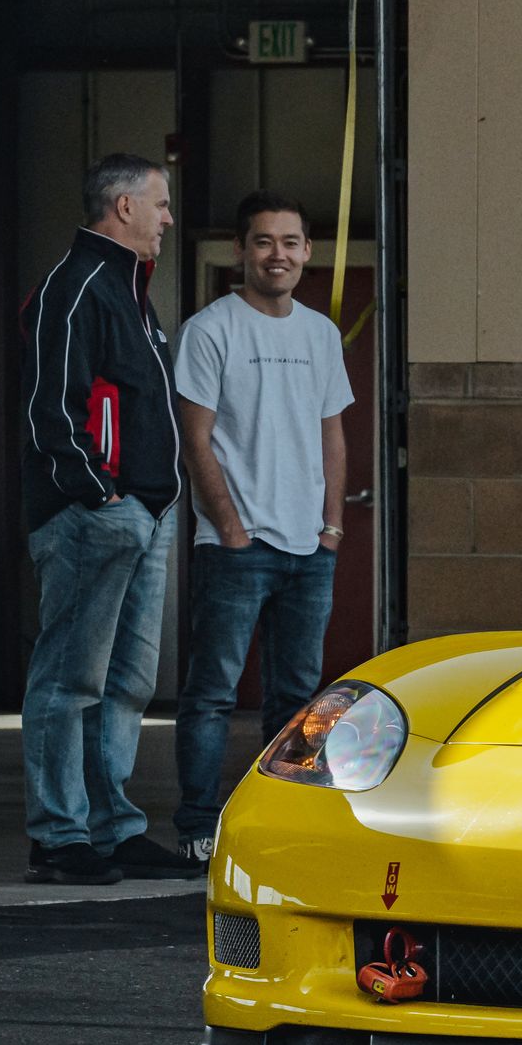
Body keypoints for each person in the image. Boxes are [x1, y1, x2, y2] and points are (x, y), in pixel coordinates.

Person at [17, 154, 194, 886]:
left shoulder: (130, 291)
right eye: (159, 203)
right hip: (98, 518)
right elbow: (50, 408)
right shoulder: (78, 285)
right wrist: (100, 493)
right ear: (122, 207)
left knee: (125, 684)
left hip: (142, 517)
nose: (168, 218)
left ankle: (112, 828)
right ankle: (60, 836)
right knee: (70, 680)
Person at [171, 192, 354, 862]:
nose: (277, 255)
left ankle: (286, 828)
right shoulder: (210, 330)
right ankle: (197, 826)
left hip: (310, 548)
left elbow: (332, 435)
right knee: (212, 693)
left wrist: (331, 527)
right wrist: (231, 527)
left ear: (307, 252)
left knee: (301, 701)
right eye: (263, 242)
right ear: (241, 252)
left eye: (290, 242)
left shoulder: (319, 334)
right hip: (235, 548)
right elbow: (197, 440)